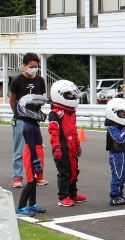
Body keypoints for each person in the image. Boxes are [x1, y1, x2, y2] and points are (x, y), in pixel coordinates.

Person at [9, 53, 48, 188]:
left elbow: (42, 98)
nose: (33, 69)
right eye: (31, 66)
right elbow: (12, 99)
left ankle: (37, 175)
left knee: (36, 148)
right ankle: (17, 177)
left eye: (36, 67)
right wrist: (17, 115)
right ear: (24, 66)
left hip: (34, 119)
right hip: (21, 119)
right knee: (19, 149)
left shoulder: (40, 80)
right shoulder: (17, 80)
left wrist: (39, 112)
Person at [48, 80, 87, 207]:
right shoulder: (55, 114)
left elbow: (74, 131)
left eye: (73, 94)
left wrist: (77, 145)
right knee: (64, 172)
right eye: (69, 95)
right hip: (61, 146)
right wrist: (56, 148)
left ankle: (73, 194)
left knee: (74, 170)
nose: (72, 97)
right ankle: (63, 197)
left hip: (71, 146)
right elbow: (53, 133)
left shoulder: (71, 112)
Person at [15, 94, 48, 216]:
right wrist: (35, 161)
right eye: (38, 109)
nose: (40, 111)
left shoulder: (33, 124)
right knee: (30, 181)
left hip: (36, 154)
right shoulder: (28, 127)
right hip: (31, 155)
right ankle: (21, 207)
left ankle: (32, 204)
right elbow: (31, 146)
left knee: (34, 181)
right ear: (30, 111)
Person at [105, 98, 125, 206]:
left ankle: (119, 194)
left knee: (123, 175)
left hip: (123, 153)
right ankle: (114, 196)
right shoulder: (112, 128)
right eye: (123, 112)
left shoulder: (121, 127)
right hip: (116, 155)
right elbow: (120, 139)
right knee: (118, 175)